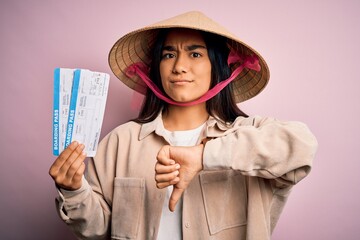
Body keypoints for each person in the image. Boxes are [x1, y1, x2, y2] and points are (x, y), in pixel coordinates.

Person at [49, 11, 318, 240]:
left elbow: (303, 147)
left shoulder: (247, 133)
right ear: (156, 68)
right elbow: (96, 230)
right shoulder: (120, 142)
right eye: (168, 55)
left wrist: (204, 156)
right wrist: (74, 190)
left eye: (195, 54)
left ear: (218, 66)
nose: (179, 66)